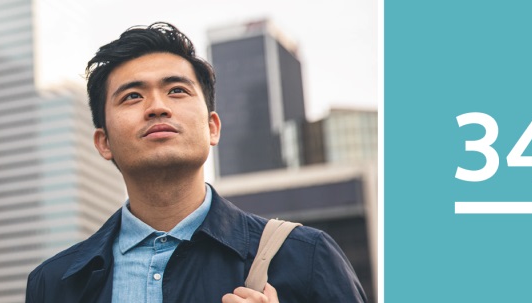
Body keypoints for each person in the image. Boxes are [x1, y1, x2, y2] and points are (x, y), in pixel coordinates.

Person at [25, 22, 367, 303]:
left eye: (177, 90)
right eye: (132, 96)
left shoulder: (304, 256)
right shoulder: (55, 283)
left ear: (212, 127)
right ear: (104, 143)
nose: (157, 107)